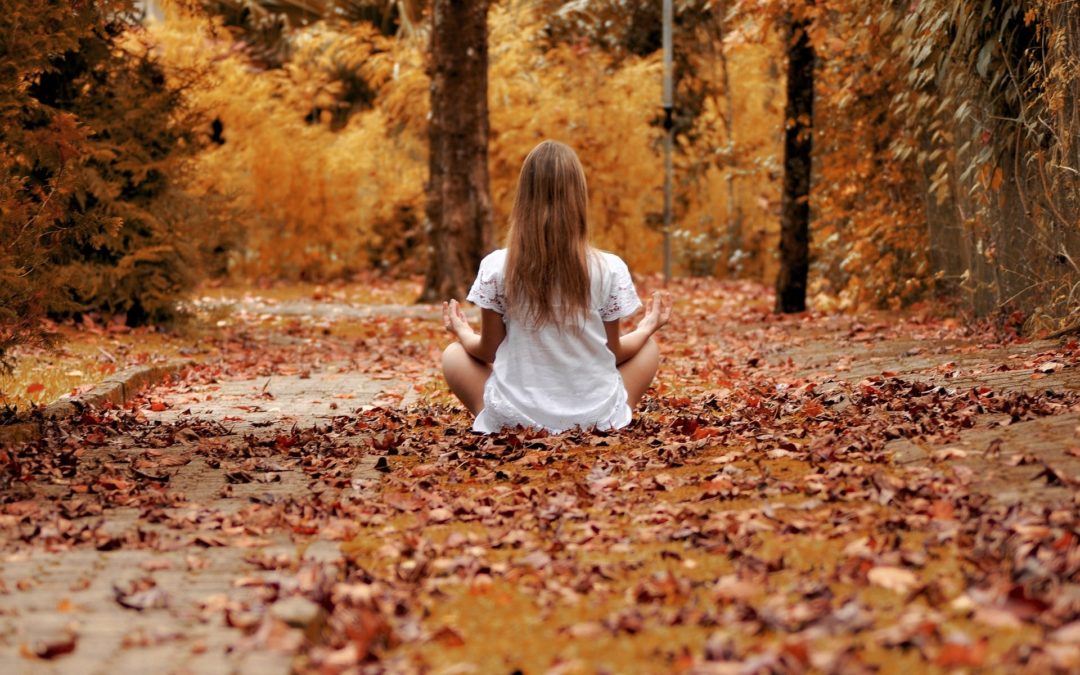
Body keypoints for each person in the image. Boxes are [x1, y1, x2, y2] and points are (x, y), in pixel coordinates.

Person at [441, 140, 672, 434]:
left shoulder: (497, 266)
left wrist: (461, 332)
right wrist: (647, 327)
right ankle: (607, 417)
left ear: (524, 198)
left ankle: (504, 420)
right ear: (578, 198)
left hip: (517, 420)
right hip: (592, 420)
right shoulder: (609, 268)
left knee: (453, 354)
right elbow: (612, 352)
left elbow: (488, 351)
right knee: (648, 348)